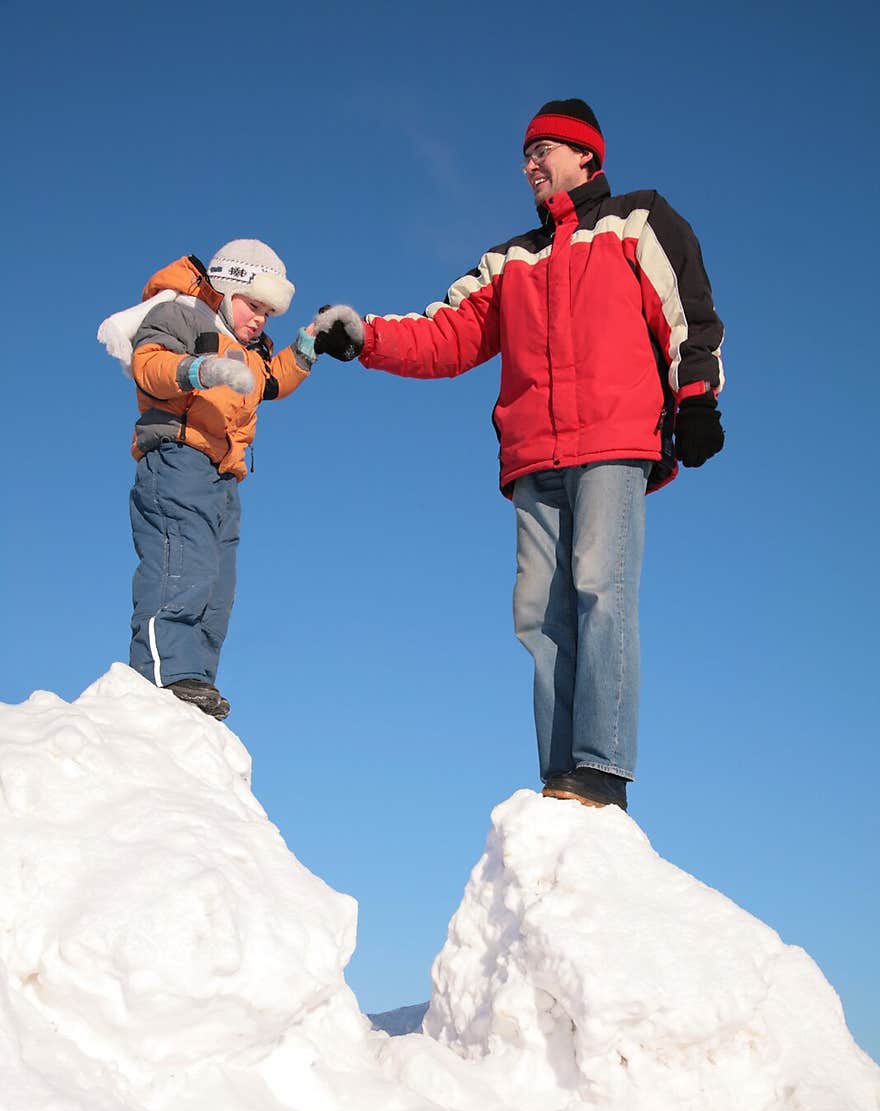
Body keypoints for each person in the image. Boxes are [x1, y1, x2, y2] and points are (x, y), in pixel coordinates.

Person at [311, 99, 725, 808]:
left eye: (546, 150)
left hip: (613, 438)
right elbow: (447, 333)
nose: (531, 164)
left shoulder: (637, 220)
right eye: (526, 155)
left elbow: (689, 312)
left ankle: (602, 768)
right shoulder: (511, 261)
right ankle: (561, 775)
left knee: (600, 589)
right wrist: (367, 338)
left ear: (587, 155)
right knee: (539, 614)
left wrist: (698, 398)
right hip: (536, 456)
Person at [98, 240, 318, 719]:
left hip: (224, 478)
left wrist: (306, 348)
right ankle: (164, 675)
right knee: (184, 567)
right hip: (179, 460)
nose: (260, 319)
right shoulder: (183, 315)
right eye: (253, 305)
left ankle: (194, 681)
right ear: (227, 287)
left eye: (268, 312)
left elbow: (271, 382)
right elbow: (148, 364)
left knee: (218, 588)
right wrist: (196, 369)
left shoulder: (251, 349)